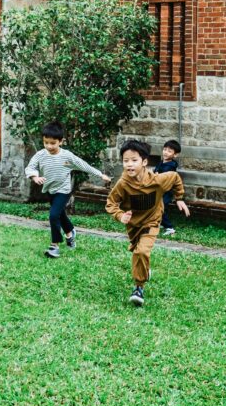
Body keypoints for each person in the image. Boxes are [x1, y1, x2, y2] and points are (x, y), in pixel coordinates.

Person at [106, 139, 189, 306]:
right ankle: (144, 272)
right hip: (134, 226)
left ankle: (139, 288)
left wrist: (179, 198)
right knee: (138, 252)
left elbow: (175, 177)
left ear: (144, 162)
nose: (129, 164)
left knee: (141, 252)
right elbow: (111, 203)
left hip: (152, 221)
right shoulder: (122, 184)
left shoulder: (157, 180)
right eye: (125, 160)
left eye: (134, 160)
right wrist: (120, 215)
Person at [25, 122, 111, 258]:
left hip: (63, 190)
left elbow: (83, 165)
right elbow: (30, 167)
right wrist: (35, 177)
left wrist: (100, 175)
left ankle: (54, 246)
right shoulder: (41, 155)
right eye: (45, 142)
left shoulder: (67, 156)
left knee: (53, 215)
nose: (49, 146)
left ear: (61, 141)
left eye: (52, 143)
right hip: (50, 189)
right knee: (60, 214)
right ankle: (70, 233)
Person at [154, 139, 182, 236]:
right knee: (156, 207)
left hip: (166, 192)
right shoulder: (162, 162)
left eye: (169, 151)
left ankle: (169, 228)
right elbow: (155, 172)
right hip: (159, 191)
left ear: (175, 155)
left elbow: (164, 176)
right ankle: (161, 222)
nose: (166, 152)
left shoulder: (171, 166)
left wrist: (157, 175)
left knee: (161, 208)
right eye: (165, 149)